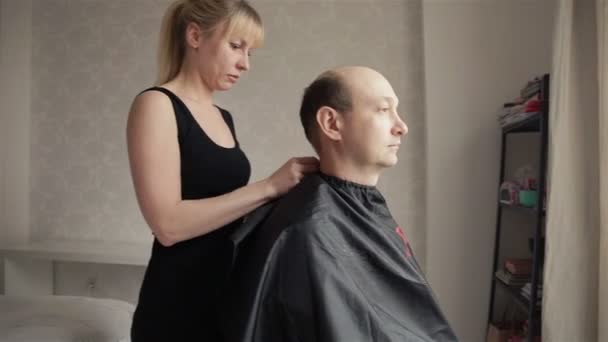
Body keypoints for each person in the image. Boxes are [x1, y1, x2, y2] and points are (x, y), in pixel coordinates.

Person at [220, 66, 458, 342]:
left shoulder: (358, 204)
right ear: (332, 124)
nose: (401, 126)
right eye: (383, 110)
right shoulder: (307, 229)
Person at [126, 0, 318, 340]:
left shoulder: (222, 117)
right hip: (176, 307)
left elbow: (230, 215)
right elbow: (168, 225)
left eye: (251, 52)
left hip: (226, 298)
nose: (245, 64)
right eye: (236, 46)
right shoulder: (156, 105)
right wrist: (270, 186)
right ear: (195, 36)